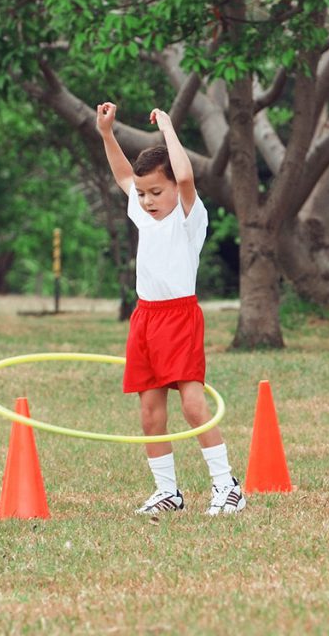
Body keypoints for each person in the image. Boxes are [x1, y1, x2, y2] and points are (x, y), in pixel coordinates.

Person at [96, 102, 246, 516]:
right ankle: (168, 491)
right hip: (145, 317)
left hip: (179, 317)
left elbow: (183, 174)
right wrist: (108, 133)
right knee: (149, 411)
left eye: (155, 192)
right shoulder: (144, 216)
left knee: (193, 405)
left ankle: (227, 485)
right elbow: (125, 175)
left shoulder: (187, 216)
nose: (146, 200)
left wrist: (166, 127)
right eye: (143, 194)